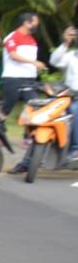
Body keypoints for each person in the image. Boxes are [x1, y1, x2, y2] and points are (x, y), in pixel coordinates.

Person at [1, 11, 47, 174]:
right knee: (7, 108)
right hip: (13, 78)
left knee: (33, 108)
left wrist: (34, 66)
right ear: (27, 23)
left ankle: (27, 137)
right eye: (35, 22)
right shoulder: (12, 37)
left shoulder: (32, 40)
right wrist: (34, 62)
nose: (37, 25)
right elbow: (13, 55)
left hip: (29, 79)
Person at [49, 25, 78, 163]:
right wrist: (65, 43)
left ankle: (75, 147)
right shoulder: (71, 56)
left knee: (74, 110)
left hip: (75, 100)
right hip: (69, 95)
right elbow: (54, 61)